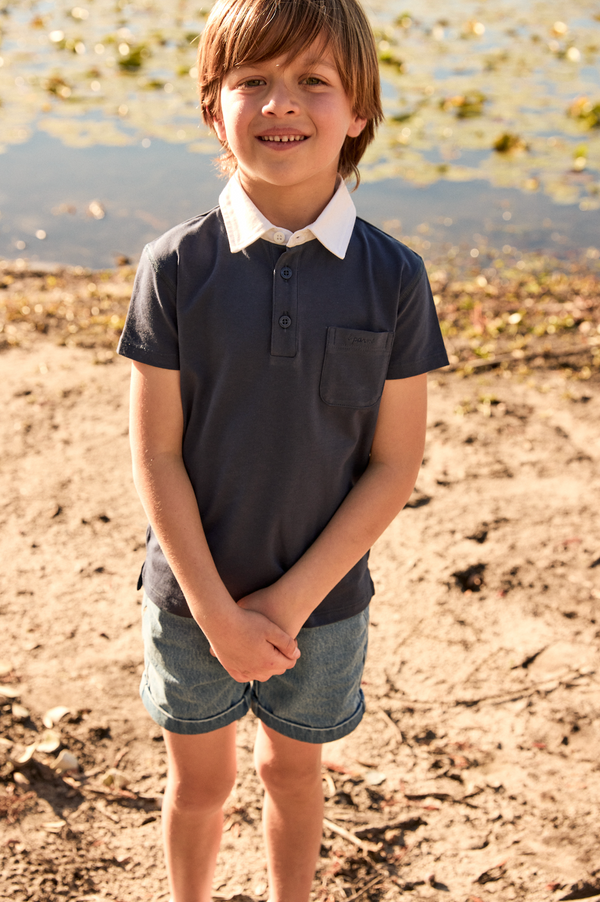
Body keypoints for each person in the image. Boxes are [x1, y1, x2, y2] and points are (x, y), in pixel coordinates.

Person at [117, 0, 448, 898]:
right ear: (212, 108)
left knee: (292, 775)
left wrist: (290, 603)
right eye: (251, 81)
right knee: (201, 782)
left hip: (327, 609)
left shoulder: (396, 276)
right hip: (191, 606)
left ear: (360, 111)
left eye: (314, 82)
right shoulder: (175, 267)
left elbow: (394, 465)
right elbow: (156, 459)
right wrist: (221, 614)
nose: (280, 104)